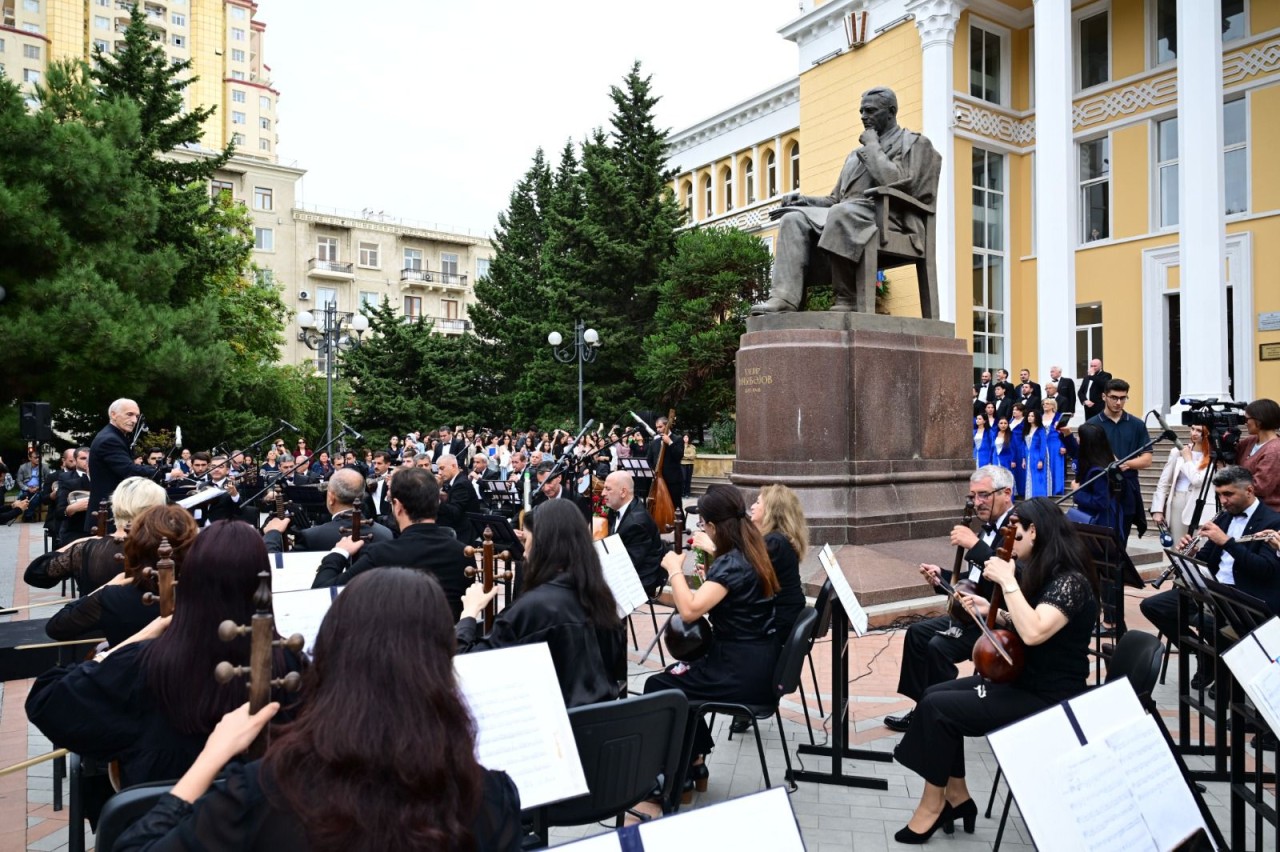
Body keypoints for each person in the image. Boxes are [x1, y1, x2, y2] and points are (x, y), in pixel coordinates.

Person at [113, 569, 522, 852]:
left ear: (329, 656)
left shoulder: (260, 791)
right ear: (440, 668)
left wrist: (210, 757)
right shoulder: (490, 798)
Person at [26, 522, 304, 793]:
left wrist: (128, 643)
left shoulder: (142, 663)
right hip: (260, 828)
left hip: (158, 826)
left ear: (190, 580)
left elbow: (46, 701)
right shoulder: (291, 666)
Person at [892, 498, 1099, 843]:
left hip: (1049, 696)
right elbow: (1024, 621)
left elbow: (1034, 632)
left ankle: (933, 805)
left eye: (1015, 537)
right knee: (933, 695)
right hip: (1023, 680)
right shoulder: (1044, 572)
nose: (1011, 546)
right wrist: (992, 609)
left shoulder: (1071, 582)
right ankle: (957, 795)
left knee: (939, 709)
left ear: (1034, 531)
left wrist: (1008, 582)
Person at [640, 485, 779, 803]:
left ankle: (674, 778)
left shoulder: (731, 563)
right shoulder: (750, 550)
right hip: (754, 662)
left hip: (740, 671)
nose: (701, 529)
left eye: (702, 524)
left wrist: (675, 569)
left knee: (659, 686)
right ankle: (694, 764)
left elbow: (689, 609)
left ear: (714, 526)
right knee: (676, 678)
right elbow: (730, 599)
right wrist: (710, 574)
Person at [751, 87, 940, 315]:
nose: (863, 116)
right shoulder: (854, 156)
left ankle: (847, 297)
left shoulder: (914, 143)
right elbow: (835, 199)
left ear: (891, 112)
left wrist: (872, 146)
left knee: (842, 213)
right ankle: (784, 299)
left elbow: (895, 181)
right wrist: (804, 201)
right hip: (849, 212)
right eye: (861, 111)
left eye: (870, 110)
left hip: (893, 218)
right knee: (793, 219)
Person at [884, 466, 1016, 733]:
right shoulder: (987, 529)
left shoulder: (1019, 527)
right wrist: (942, 578)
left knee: (937, 646)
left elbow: (1009, 577)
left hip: (998, 619)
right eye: (973, 496)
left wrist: (975, 545)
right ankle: (923, 707)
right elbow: (976, 579)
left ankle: (946, 712)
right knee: (916, 634)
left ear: (1006, 493)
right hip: (972, 613)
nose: (977, 502)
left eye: (983, 495)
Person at [456, 500, 625, 707]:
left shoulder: (533, 608)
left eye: (526, 540)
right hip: (596, 726)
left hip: (552, 726)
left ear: (542, 545)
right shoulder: (602, 598)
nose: (524, 553)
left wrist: (469, 614)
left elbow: (466, 669)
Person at [1140, 466, 1280, 686]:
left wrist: (1227, 542)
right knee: (1154, 606)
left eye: (1228, 494)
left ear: (1250, 491)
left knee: (1214, 623)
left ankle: (1228, 678)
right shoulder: (1225, 517)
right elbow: (1207, 560)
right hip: (1213, 590)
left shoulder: (1272, 522)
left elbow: (1265, 570)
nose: (1223, 501)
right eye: (1219, 495)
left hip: (1244, 596)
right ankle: (1206, 657)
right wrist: (1191, 553)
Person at [313, 467, 472, 620]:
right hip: (449, 644)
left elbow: (322, 593)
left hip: (396, 645)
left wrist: (338, 553)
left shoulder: (381, 555)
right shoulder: (464, 553)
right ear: (437, 502)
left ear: (398, 506)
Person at [45, 505, 198, 647]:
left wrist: (107, 586)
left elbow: (57, 626)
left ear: (134, 547)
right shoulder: (207, 592)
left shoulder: (113, 597)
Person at [25, 477, 167, 593]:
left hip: (96, 622)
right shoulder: (166, 548)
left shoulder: (87, 549)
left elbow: (36, 573)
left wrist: (81, 543)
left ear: (115, 505)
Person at [264, 468, 394, 553]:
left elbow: (281, 570)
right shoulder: (386, 534)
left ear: (331, 498)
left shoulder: (311, 537)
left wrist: (272, 534)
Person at [1086, 378, 1152, 539]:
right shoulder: (1092, 424)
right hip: (1101, 488)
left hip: (1127, 488)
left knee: (1122, 539)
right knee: (1101, 542)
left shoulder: (1136, 424)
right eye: (1114, 397)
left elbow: (1147, 459)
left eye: (1123, 398)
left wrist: (1125, 464)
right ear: (1104, 397)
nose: (1118, 402)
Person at [86, 398, 157, 533]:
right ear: (113, 414)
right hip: (108, 515)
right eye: (129, 414)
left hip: (113, 511)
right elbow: (128, 470)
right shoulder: (110, 439)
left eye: (136, 416)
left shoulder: (116, 436)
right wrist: (159, 472)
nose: (135, 420)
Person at [748, 484, 808, 642]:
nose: (752, 506)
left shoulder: (775, 542)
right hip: (785, 617)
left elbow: (746, 577)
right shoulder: (779, 539)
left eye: (758, 502)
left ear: (771, 511)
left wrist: (713, 549)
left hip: (778, 624)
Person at [1059, 422, 1125, 546]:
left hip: (1100, 525)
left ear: (1087, 443)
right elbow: (1076, 453)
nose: (1077, 440)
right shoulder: (1096, 457)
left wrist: (1077, 491)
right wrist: (1067, 435)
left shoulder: (1098, 471)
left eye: (1079, 437)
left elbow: (1101, 501)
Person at [600, 471, 665, 593]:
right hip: (628, 567)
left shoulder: (637, 523)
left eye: (608, 489)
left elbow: (628, 564)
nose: (603, 493)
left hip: (640, 579)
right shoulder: (618, 508)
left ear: (623, 492)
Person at [1151, 423, 1213, 544]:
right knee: (1178, 543)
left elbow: (1197, 481)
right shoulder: (1176, 452)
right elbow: (1163, 482)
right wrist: (1157, 509)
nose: (1194, 433)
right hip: (1178, 499)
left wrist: (1188, 459)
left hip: (1200, 503)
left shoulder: (1212, 456)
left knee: (1198, 545)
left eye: (1199, 431)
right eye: (1192, 429)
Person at [1237, 398, 1280, 512]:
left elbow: (1260, 487)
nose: (1245, 422)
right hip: (1249, 509)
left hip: (1268, 513)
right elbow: (1230, 456)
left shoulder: (1274, 450)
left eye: (1247, 419)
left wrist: (1232, 486)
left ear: (1259, 421)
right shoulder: (1251, 441)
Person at [645, 415, 684, 512]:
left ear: (667, 426)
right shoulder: (654, 442)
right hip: (658, 480)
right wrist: (652, 470)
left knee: (676, 506)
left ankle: (680, 526)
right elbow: (648, 459)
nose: (658, 429)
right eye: (657, 427)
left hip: (673, 480)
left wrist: (670, 442)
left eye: (660, 427)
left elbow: (679, 456)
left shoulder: (677, 439)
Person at [1021, 409, 1050, 498]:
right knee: (1029, 477)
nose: (1030, 418)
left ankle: (1039, 499)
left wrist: (1041, 460)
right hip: (1028, 456)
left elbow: (1043, 445)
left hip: (1037, 456)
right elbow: (1024, 445)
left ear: (1037, 417)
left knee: (1038, 478)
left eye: (1032, 416)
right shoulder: (1026, 429)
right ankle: (1030, 497)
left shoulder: (1041, 430)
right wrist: (1023, 459)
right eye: (1029, 416)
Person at [1042, 399, 1066, 496]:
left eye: (1047, 404)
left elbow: (1064, 432)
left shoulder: (1059, 416)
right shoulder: (1040, 416)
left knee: (1056, 465)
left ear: (1053, 406)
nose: (1045, 405)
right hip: (1043, 444)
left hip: (1056, 443)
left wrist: (1063, 445)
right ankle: (1045, 489)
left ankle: (1057, 489)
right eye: (1044, 403)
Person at [991, 417, 1016, 485]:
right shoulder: (995, 434)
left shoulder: (1011, 434)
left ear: (1008, 424)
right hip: (996, 459)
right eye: (1001, 423)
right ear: (998, 424)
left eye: (1005, 423)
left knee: (1006, 478)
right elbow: (992, 448)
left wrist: (1013, 460)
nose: (1003, 425)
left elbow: (1013, 448)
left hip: (1007, 459)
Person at [680, 434, 697, 499]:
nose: (685, 438)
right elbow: (679, 455)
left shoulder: (692, 446)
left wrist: (684, 456)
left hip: (690, 464)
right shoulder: (680, 446)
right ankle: (682, 493)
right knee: (683, 479)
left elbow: (693, 456)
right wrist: (687, 456)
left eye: (687, 437)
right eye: (684, 437)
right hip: (682, 464)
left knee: (688, 479)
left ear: (689, 438)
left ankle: (687, 493)